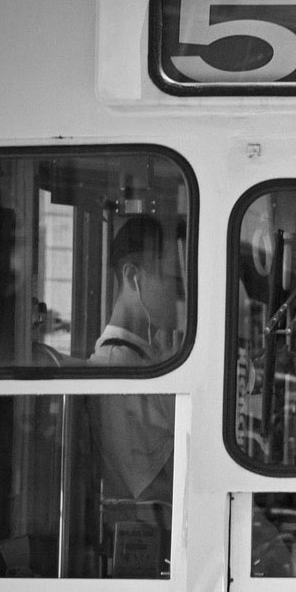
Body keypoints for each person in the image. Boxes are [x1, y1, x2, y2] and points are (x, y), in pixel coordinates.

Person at [87, 216, 184, 510]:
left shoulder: (147, 357)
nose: (177, 295)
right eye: (170, 279)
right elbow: (144, 486)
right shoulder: (115, 368)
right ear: (133, 277)